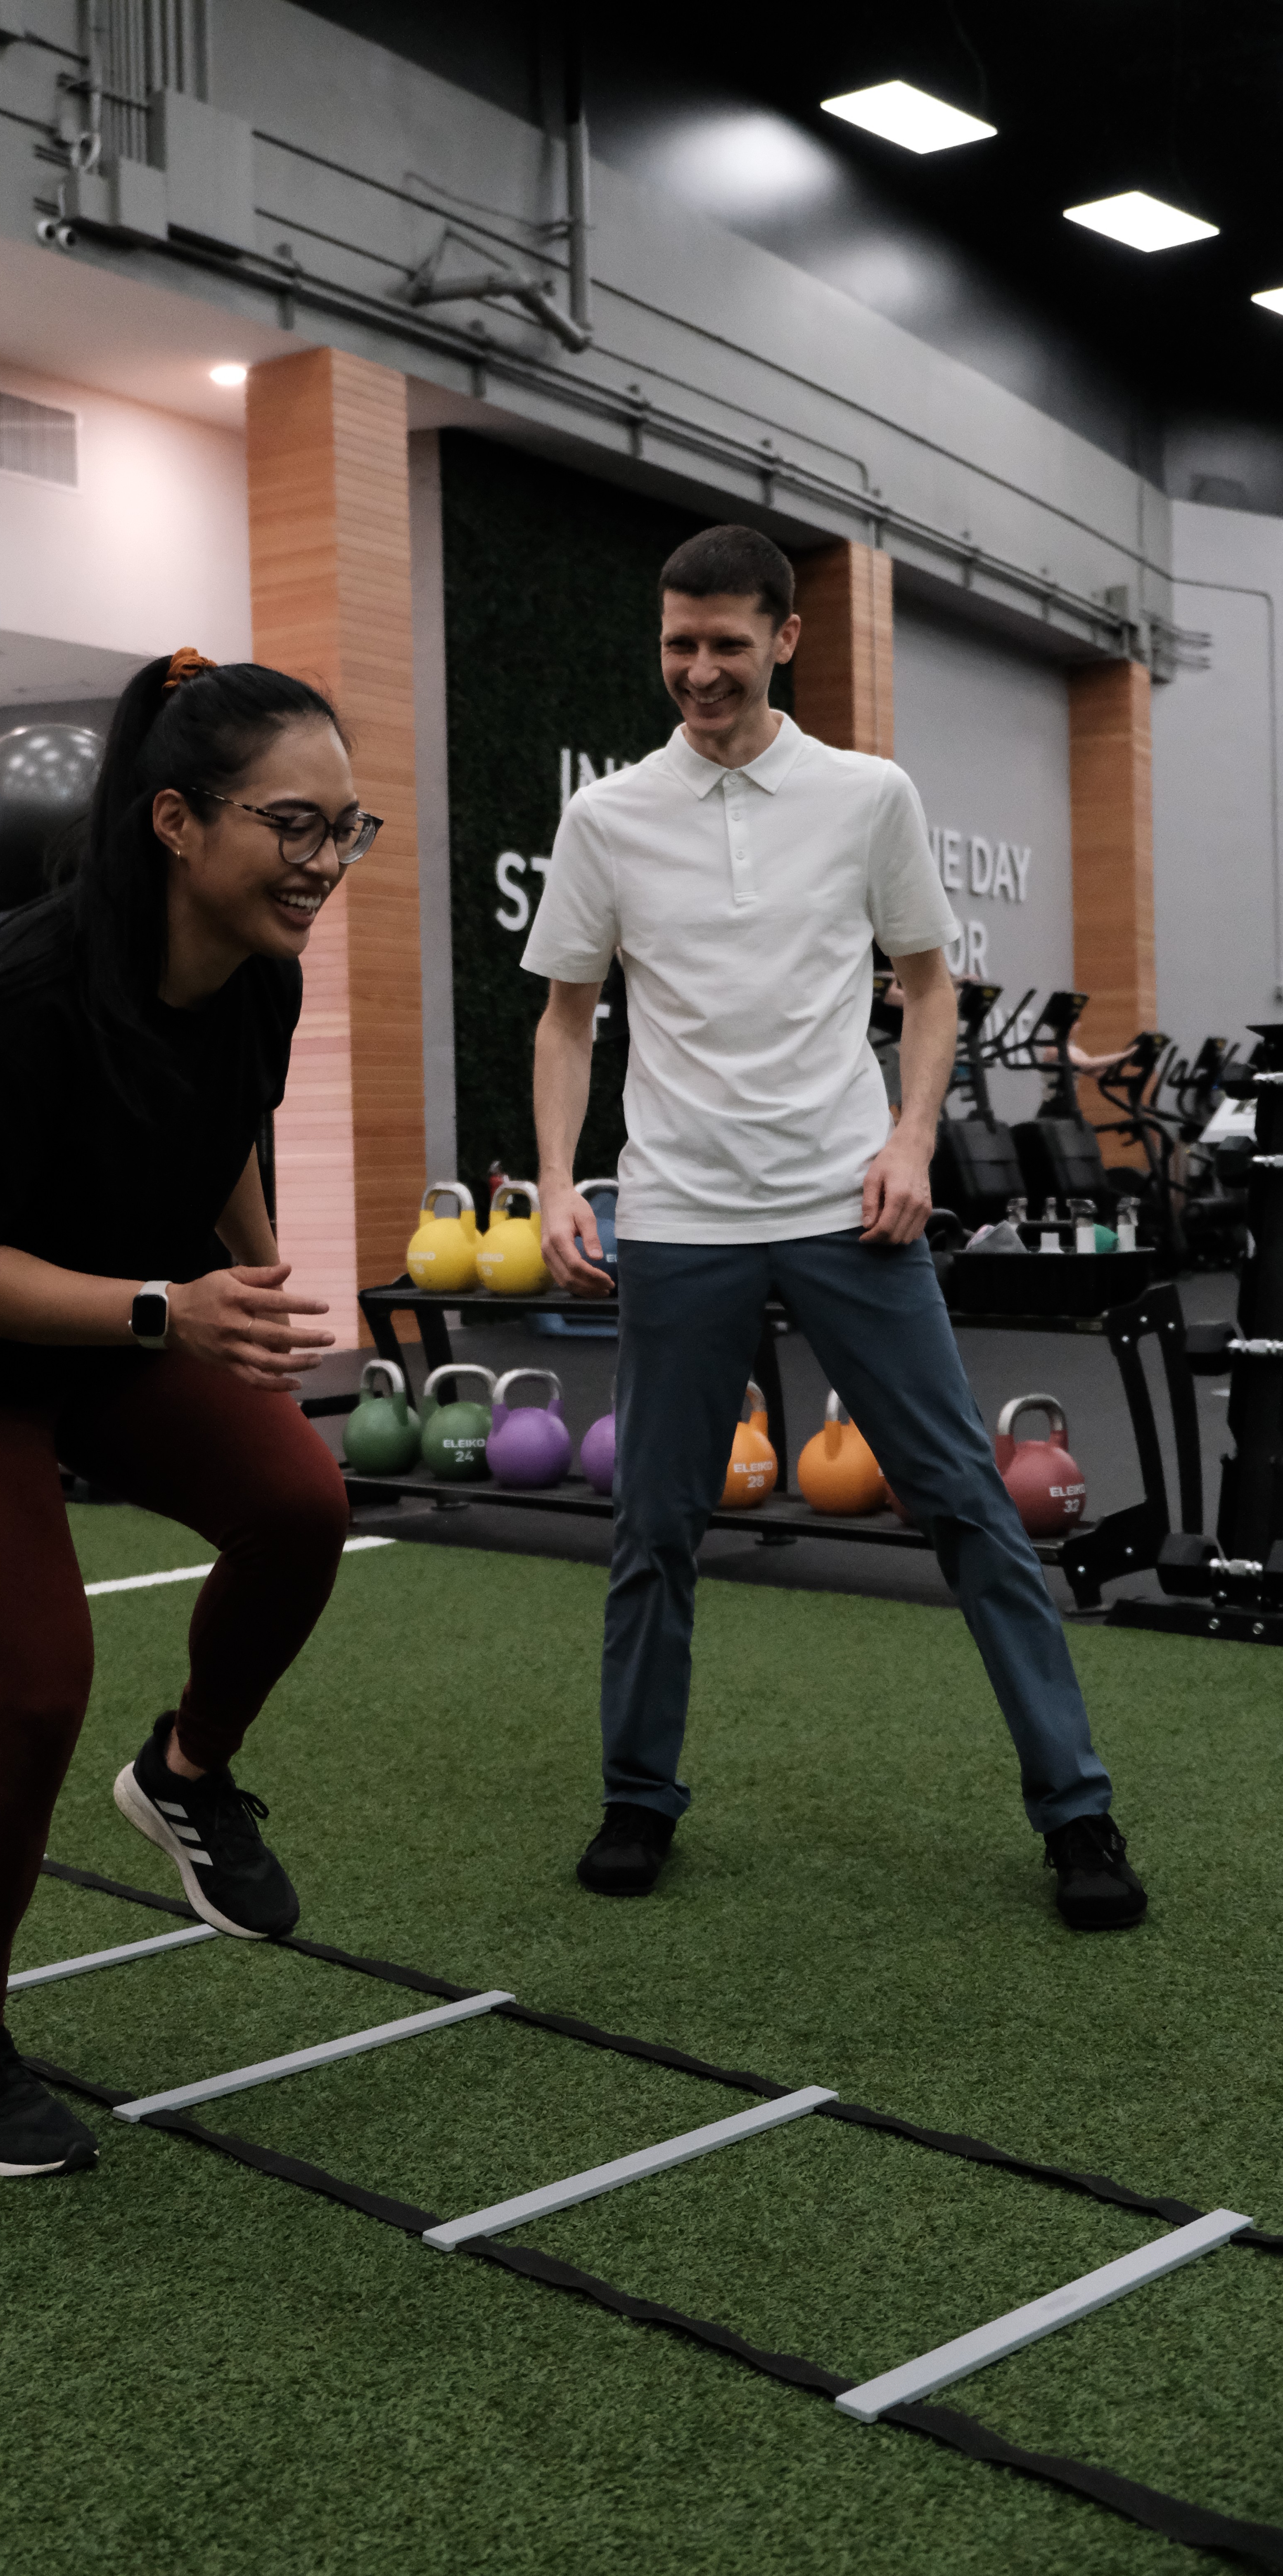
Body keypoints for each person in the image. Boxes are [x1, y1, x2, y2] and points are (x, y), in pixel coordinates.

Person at [523, 526, 1146, 1934]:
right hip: (678, 1216)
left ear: (784, 641)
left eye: (726, 645)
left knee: (971, 1511)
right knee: (654, 1526)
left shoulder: (869, 797)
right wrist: (561, 1179)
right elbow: (567, 1015)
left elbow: (929, 991)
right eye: (678, 644)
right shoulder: (608, 817)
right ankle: (638, 1796)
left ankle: (1078, 1811)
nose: (698, 670)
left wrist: (913, 1136)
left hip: (844, 1207)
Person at [0, 650, 380, 2177]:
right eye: (294, 826)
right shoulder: (15, 1000)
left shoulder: (258, 982)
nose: (323, 865)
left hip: (126, 1319)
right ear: (175, 823)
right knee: (28, 1693)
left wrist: (256, 1278)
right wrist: (169, 1310)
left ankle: (188, 1780)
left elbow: (216, 1136)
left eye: (347, 830)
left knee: (300, 1508)